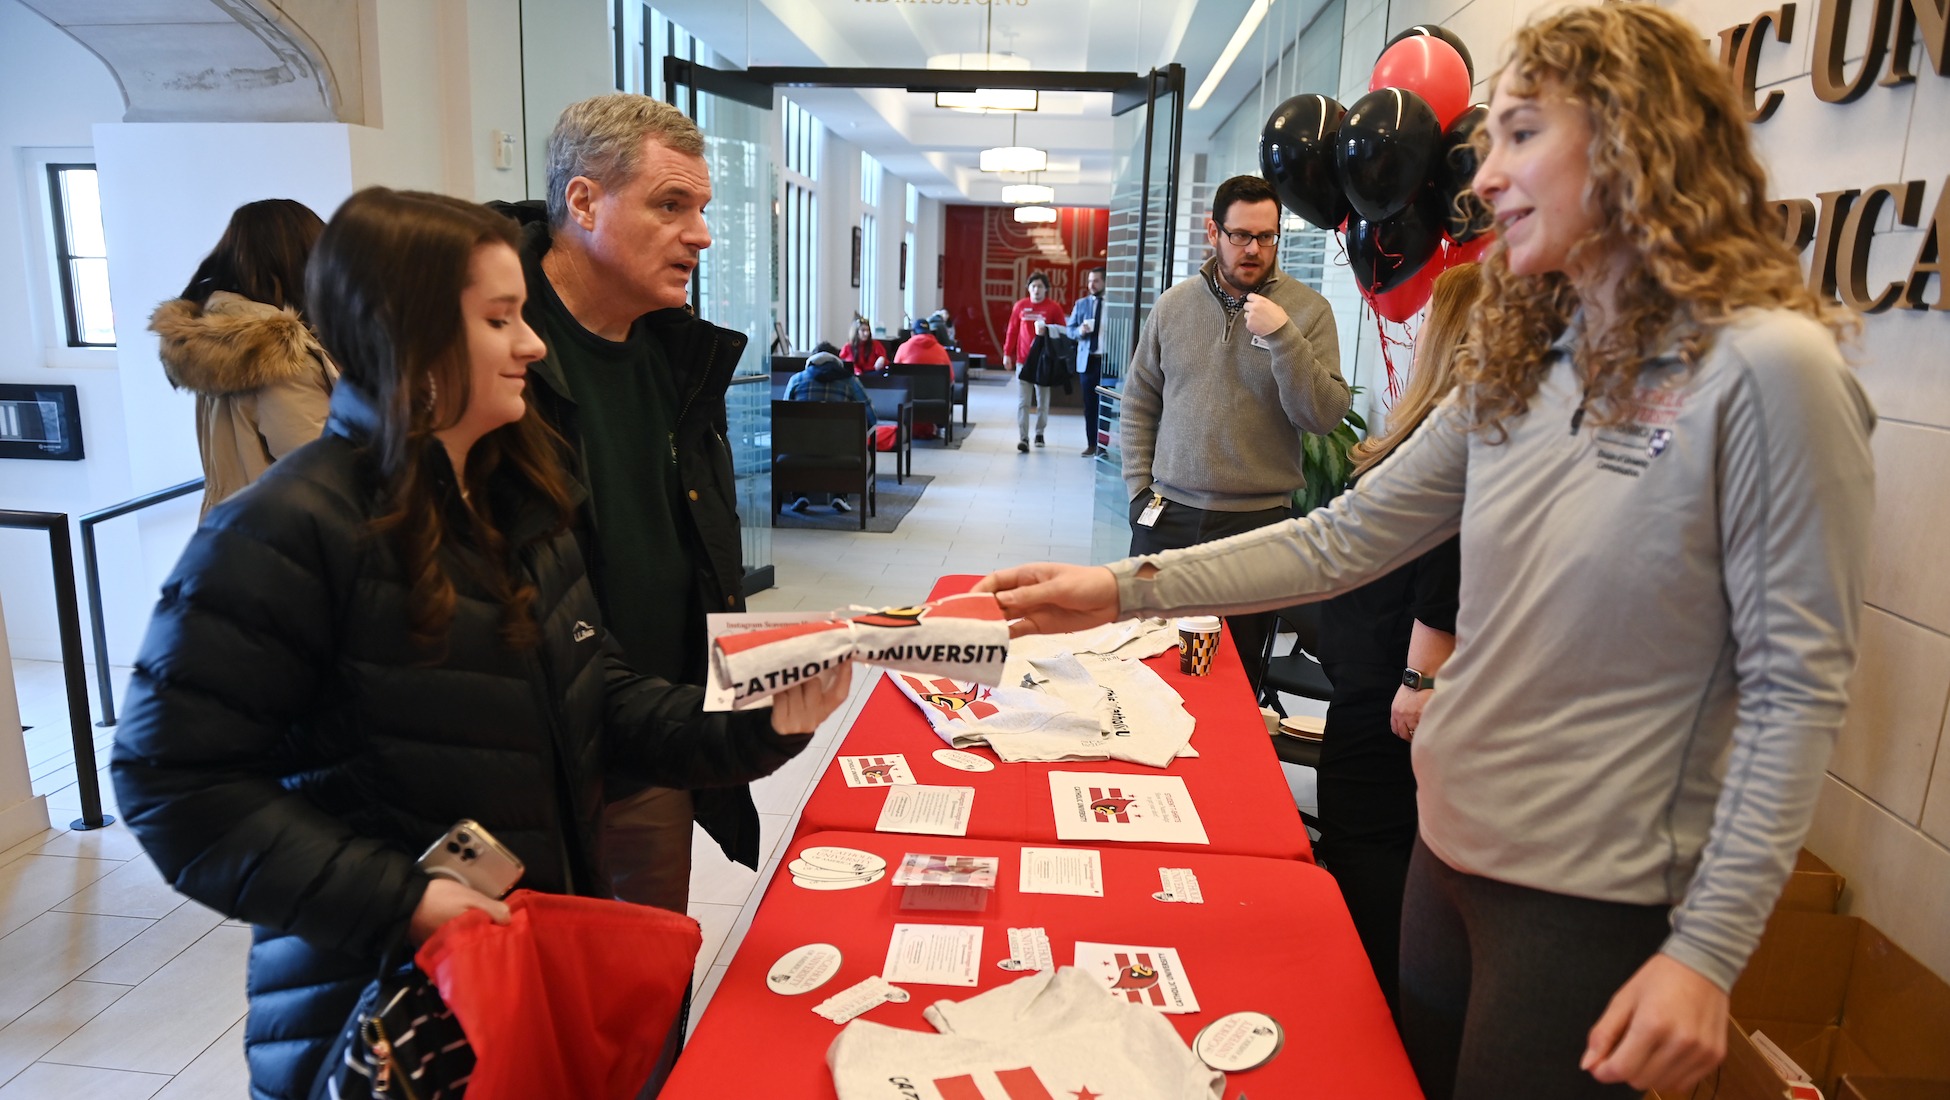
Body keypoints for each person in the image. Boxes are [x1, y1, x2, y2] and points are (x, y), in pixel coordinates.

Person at [975, 7, 1876, 1097]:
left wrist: (1708, 950)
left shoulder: (1771, 371)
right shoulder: (1524, 358)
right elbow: (1344, 536)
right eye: (1486, 140)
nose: (1486, 178)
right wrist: (1122, 586)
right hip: (1445, 858)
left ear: (1638, 140)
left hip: (1590, 896)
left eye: (1522, 136)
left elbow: (1796, 689)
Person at [109, 187, 849, 1100]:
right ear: (405, 340)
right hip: (380, 1006)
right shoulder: (284, 531)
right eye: (500, 320)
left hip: (510, 963)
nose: (533, 346)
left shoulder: (520, 496)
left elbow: (601, 697)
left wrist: (758, 721)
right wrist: (403, 899)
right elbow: (173, 785)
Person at [488, 94, 756, 920]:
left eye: (702, 209)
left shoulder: (676, 355)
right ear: (583, 201)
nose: (701, 236)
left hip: (649, 741)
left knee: (643, 990)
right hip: (519, 757)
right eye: (670, 205)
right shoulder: (487, 347)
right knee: (526, 999)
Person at [1314, 262, 1480, 1020]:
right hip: (1371, 674)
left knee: (1367, 853)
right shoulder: (1431, 432)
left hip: (1390, 688)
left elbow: (1441, 578)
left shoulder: (1457, 441)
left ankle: (1363, 1021)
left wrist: (1419, 682)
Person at [1121, 174, 1347, 683]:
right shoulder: (1173, 306)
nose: (1254, 249)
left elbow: (1324, 415)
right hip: (1168, 518)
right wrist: (1139, 492)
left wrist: (1284, 337)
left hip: (1256, 525)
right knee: (1145, 666)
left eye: (1267, 237)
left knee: (1233, 679)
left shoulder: (1308, 311)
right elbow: (1139, 402)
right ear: (1213, 232)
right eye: (1241, 235)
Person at [149, 198, 336, 516]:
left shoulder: (220, 340)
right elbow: (325, 476)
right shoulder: (280, 357)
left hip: (237, 529)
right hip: (289, 541)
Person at [782, 349, 876, 514]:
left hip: (799, 451)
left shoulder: (796, 380)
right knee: (844, 441)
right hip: (842, 453)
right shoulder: (850, 382)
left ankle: (798, 495)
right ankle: (840, 494)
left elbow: (783, 419)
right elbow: (871, 417)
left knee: (800, 437)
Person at [1002, 272, 1069, 453]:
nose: (1037, 290)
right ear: (1028, 288)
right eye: (1033, 286)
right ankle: (1023, 437)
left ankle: (1040, 432)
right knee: (1023, 402)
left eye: (1040, 286)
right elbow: (1012, 331)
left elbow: (1063, 332)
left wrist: (1047, 329)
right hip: (1023, 361)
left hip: (1044, 362)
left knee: (1042, 401)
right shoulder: (1021, 306)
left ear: (1046, 289)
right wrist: (1007, 353)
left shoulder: (1053, 308)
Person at [1066, 267, 1107, 457]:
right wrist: (1079, 332)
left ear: (1105, 282)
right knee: (1089, 405)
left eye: (1096, 281)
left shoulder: (1115, 305)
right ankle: (1091, 443)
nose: (1092, 285)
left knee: (1105, 405)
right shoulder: (1081, 304)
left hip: (1108, 363)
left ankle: (1103, 447)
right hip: (1088, 361)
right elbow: (1069, 330)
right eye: (1090, 281)